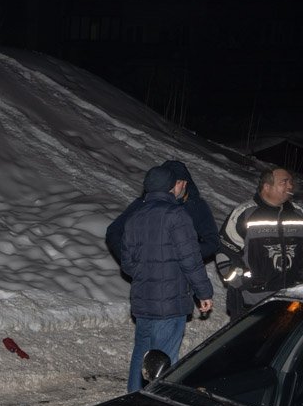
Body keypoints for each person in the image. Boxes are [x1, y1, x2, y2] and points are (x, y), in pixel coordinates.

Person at [117, 164, 214, 392]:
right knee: (164, 360)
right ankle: (158, 404)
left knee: (142, 354)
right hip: (170, 303)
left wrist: (146, 273)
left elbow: (127, 263)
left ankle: (134, 399)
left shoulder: (134, 217)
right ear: (172, 186)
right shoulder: (176, 215)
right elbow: (190, 258)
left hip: (142, 301)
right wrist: (204, 292)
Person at [214, 168, 300, 321]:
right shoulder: (245, 214)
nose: (290, 186)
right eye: (284, 182)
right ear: (267, 186)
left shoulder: (299, 215)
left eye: (291, 182)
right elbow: (224, 253)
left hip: (290, 300)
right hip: (251, 302)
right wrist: (242, 283)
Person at [105, 159, 220, 264]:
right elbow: (114, 231)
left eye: (178, 182)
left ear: (185, 183)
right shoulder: (145, 203)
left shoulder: (196, 206)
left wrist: (185, 253)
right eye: (171, 182)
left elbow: (213, 241)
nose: (173, 188)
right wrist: (129, 257)